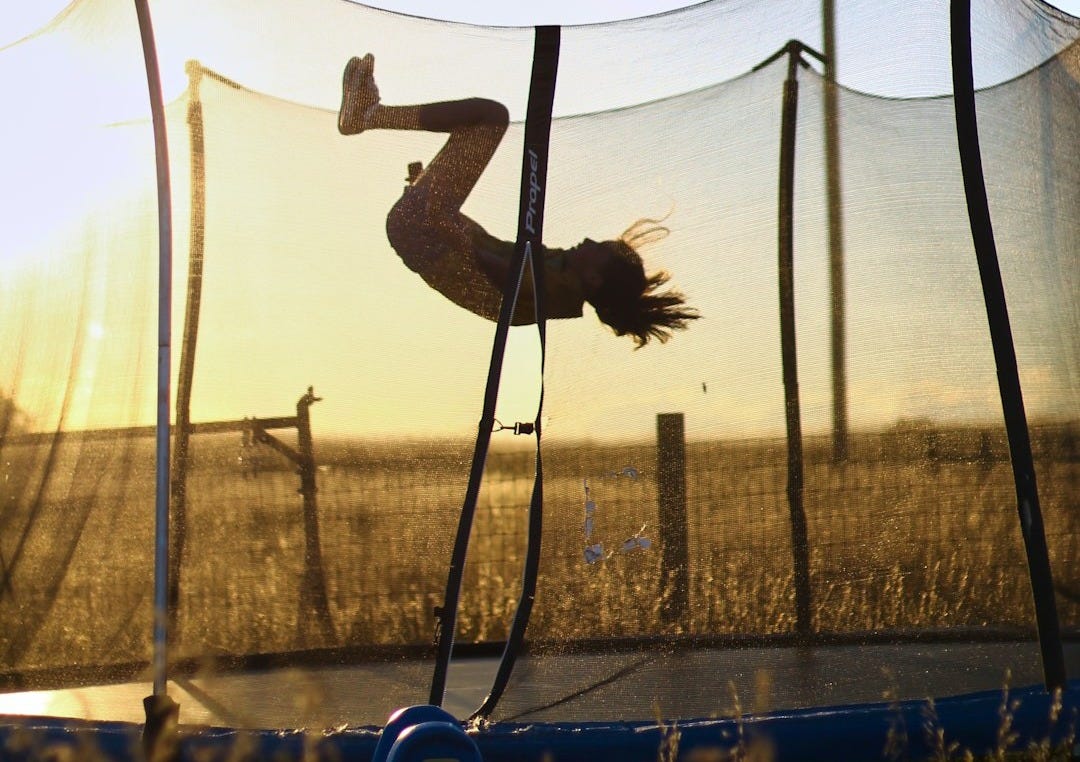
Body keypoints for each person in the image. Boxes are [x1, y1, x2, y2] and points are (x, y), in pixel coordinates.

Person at [338, 54, 699, 347]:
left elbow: (494, 269)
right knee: (482, 123)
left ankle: (369, 115)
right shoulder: (562, 276)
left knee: (490, 117)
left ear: (593, 276)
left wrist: (443, 224)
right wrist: (430, 193)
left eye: (597, 248)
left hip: (427, 235)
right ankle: (369, 115)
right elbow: (489, 257)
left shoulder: (554, 290)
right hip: (429, 233)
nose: (587, 240)